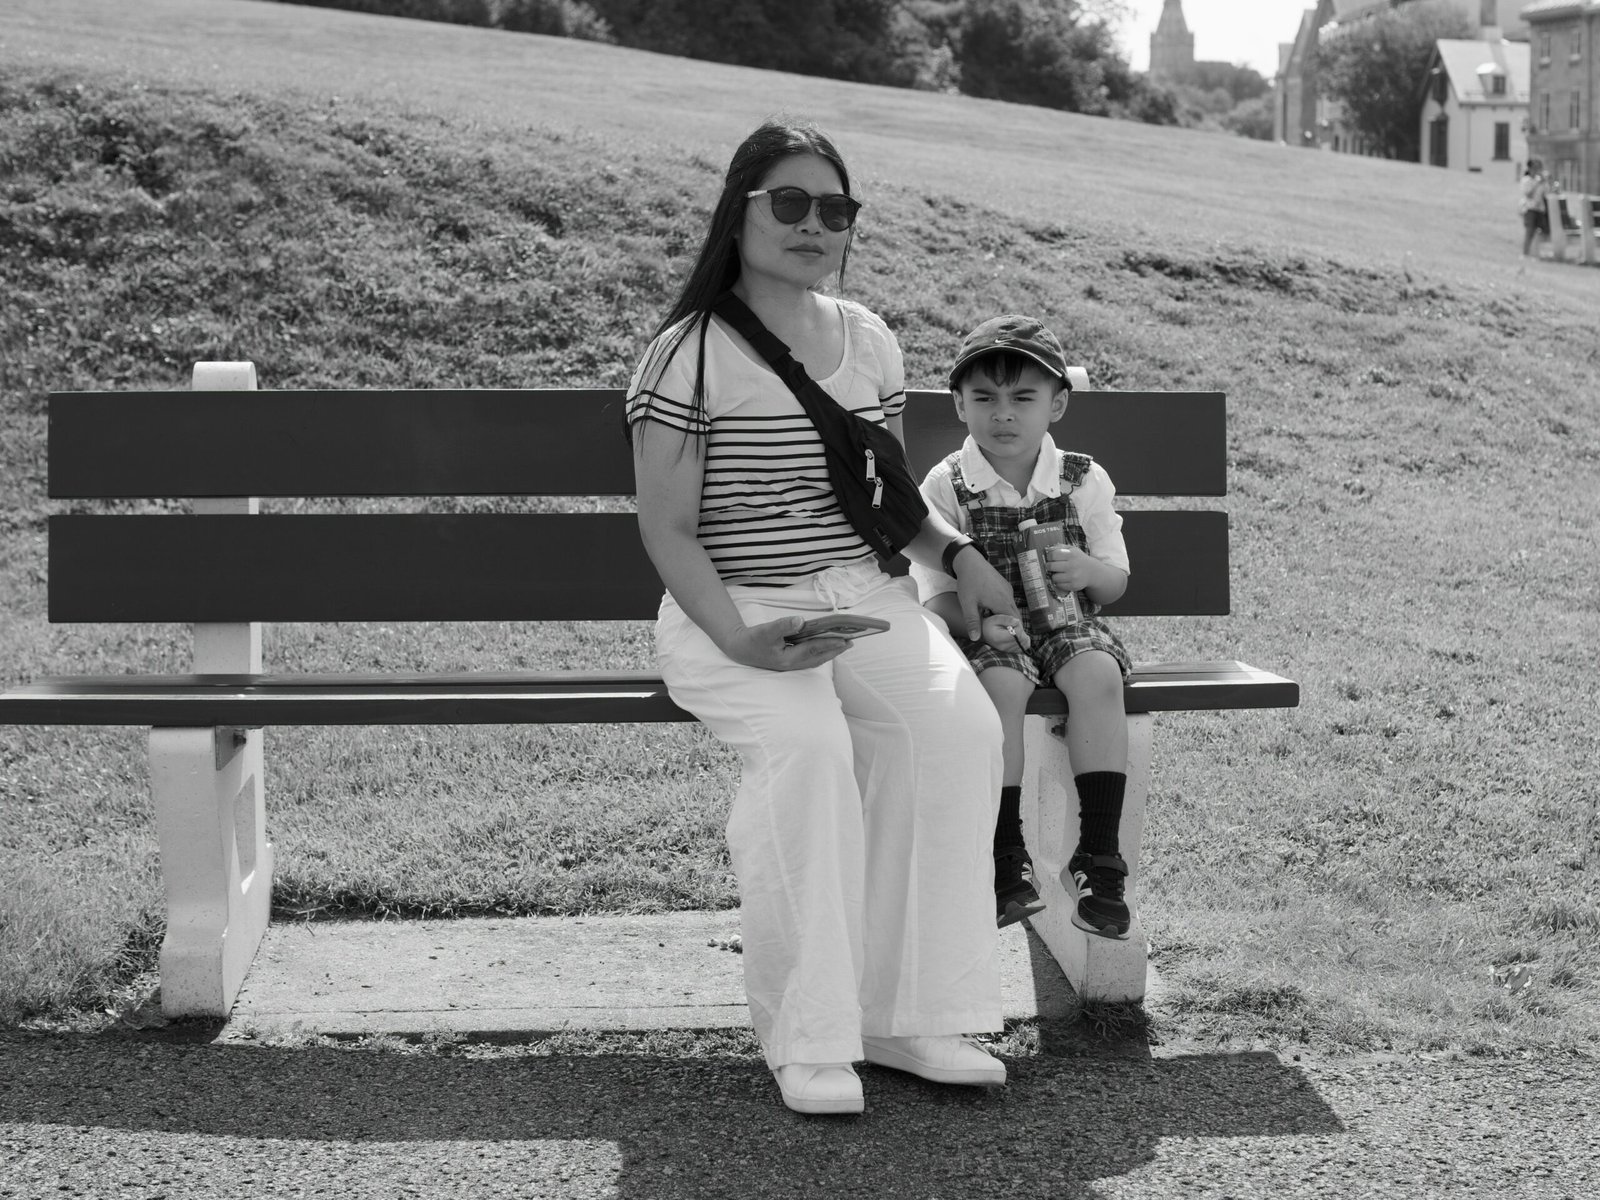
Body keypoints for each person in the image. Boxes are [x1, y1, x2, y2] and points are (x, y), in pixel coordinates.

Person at [627, 118, 1024, 1116]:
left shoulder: (869, 341)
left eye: (834, 209)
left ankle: (910, 1015)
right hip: (734, 607)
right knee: (807, 751)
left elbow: (885, 501)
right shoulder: (688, 354)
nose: (814, 225)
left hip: (863, 598)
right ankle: (806, 1036)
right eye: (790, 204)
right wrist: (739, 640)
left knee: (956, 731)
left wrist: (959, 555)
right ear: (742, 211)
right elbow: (672, 532)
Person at [910, 315, 1136, 940]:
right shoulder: (946, 485)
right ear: (959, 405)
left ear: (1057, 404)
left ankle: (1098, 856)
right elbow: (934, 597)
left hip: (1068, 625)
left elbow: (1114, 581)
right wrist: (982, 624)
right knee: (1002, 690)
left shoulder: (1081, 478)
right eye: (984, 398)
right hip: (994, 634)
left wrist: (1088, 569)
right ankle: (1005, 855)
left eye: (1023, 398)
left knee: (1096, 673)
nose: (1002, 414)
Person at [1521, 160, 1550, 260]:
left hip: (1540, 209)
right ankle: (1525, 254)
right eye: (1534, 168)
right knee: (1529, 231)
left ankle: (1536, 254)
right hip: (1530, 209)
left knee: (1540, 232)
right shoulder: (1526, 180)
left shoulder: (1540, 181)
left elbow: (1546, 193)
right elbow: (1528, 194)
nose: (1536, 170)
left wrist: (1545, 182)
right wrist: (1537, 183)